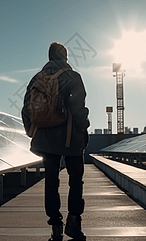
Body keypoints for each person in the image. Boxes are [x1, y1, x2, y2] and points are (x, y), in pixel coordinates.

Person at [22, 42, 90, 241]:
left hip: (44, 139)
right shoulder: (73, 77)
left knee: (51, 181)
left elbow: (26, 108)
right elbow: (78, 109)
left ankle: (56, 228)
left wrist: (32, 130)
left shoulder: (37, 78)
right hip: (71, 138)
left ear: (49, 57)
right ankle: (74, 223)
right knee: (75, 179)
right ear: (65, 57)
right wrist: (84, 128)